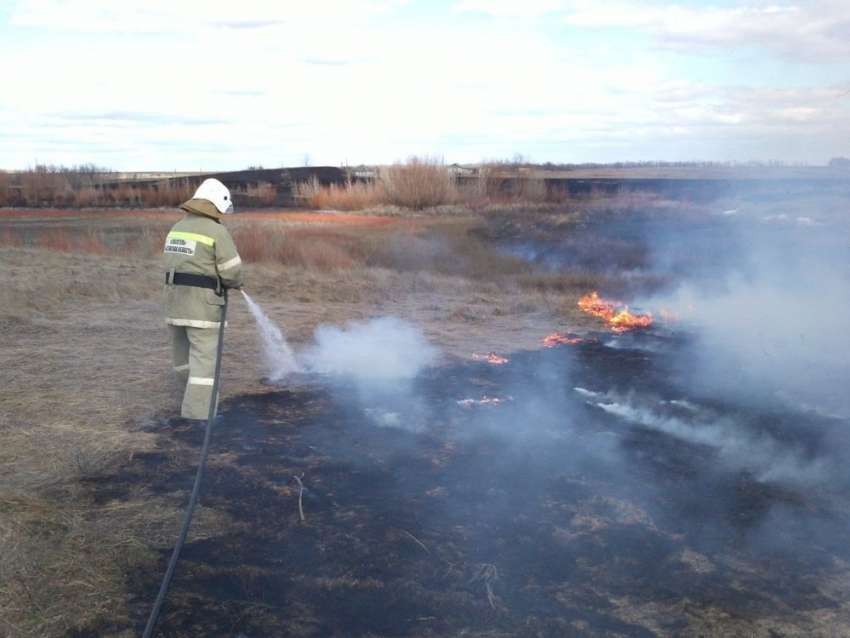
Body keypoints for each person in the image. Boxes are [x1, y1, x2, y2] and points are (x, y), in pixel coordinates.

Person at [162, 178, 243, 421]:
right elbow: (232, 271)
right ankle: (198, 417)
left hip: (175, 304)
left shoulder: (177, 228)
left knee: (182, 358)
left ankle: (189, 399)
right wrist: (235, 283)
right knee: (204, 365)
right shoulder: (216, 231)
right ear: (217, 204)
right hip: (203, 308)